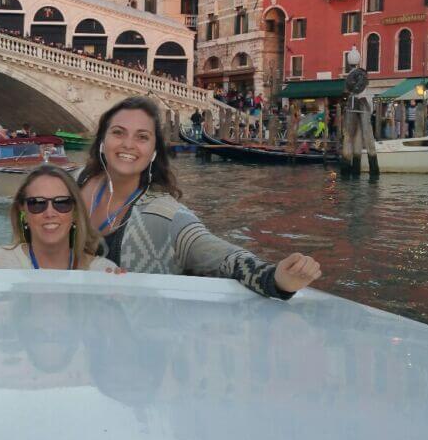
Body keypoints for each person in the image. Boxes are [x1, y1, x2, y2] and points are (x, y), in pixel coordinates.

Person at [76, 96, 321, 299]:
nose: (128, 144)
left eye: (142, 137)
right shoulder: (66, 186)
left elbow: (224, 257)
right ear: (102, 141)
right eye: (118, 132)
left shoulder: (167, 216)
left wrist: (276, 278)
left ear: (153, 152)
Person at [0, 165, 117, 271]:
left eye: (61, 203)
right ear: (23, 212)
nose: (50, 213)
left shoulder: (102, 272)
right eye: (37, 203)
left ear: (75, 212)